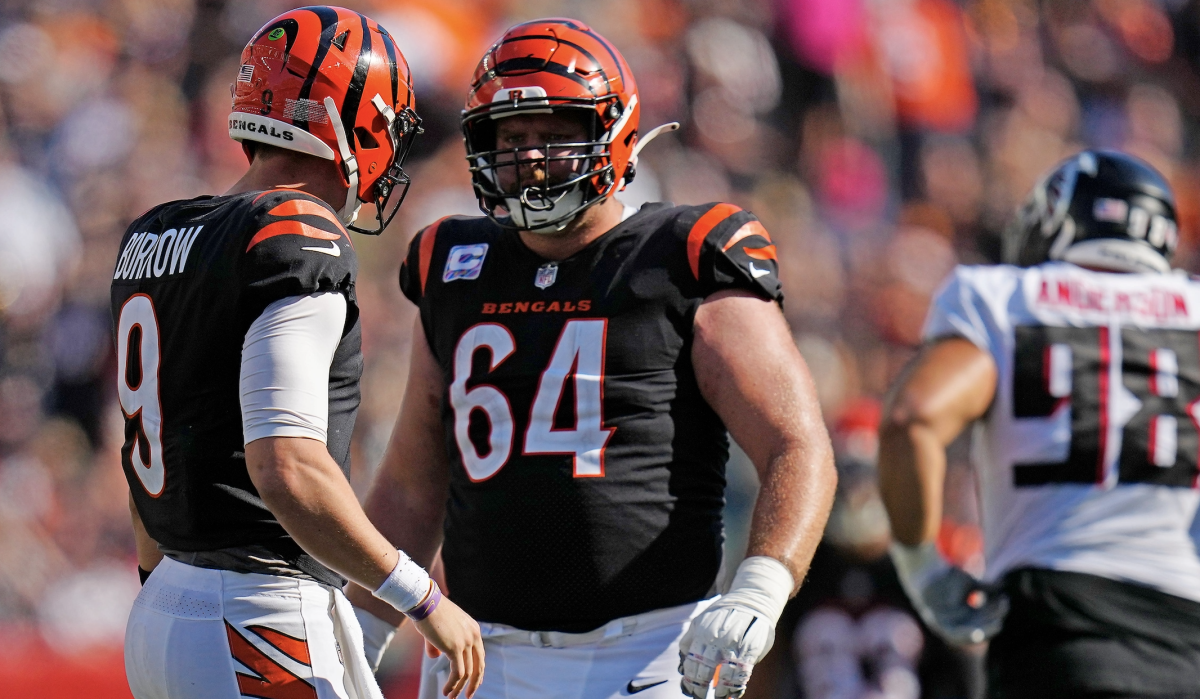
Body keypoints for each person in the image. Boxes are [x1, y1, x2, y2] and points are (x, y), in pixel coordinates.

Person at [346, 18, 837, 699]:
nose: (531, 159)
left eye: (555, 134)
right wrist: (361, 627)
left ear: (617, 133)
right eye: (512, 139)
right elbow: (410, 484)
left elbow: (795, 441)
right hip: (480, 650)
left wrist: (761, 585)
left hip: (649, 648)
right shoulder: (454, 264)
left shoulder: (683, 253)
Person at [112, 8, 484, 699]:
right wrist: (421, 597)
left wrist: (167, 589)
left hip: (163, 606)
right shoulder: (295, 230)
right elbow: (286, 465)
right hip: (257, 613)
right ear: (352, 120)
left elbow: (149, 451)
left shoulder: (155, 233)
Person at [878, 149, 1200, 699]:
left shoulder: (1003, 298)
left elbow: (914, 419)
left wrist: (922, 567)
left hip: (1055, 629)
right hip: (1185, 644)